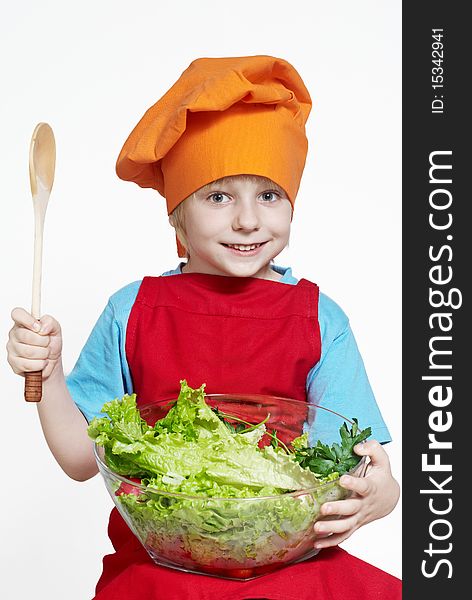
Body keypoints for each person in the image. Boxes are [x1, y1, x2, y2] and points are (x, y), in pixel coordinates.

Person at [6, 55, 401, 599]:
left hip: (291, 566)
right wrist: (47, 375)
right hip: (163, 569)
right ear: (177, 215)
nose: (247, 219)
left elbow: (360, 469)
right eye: (218, 196)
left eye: (269, 195)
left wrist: (381, 494)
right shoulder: (133, 309)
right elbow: (81, 458)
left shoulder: (319, 317)